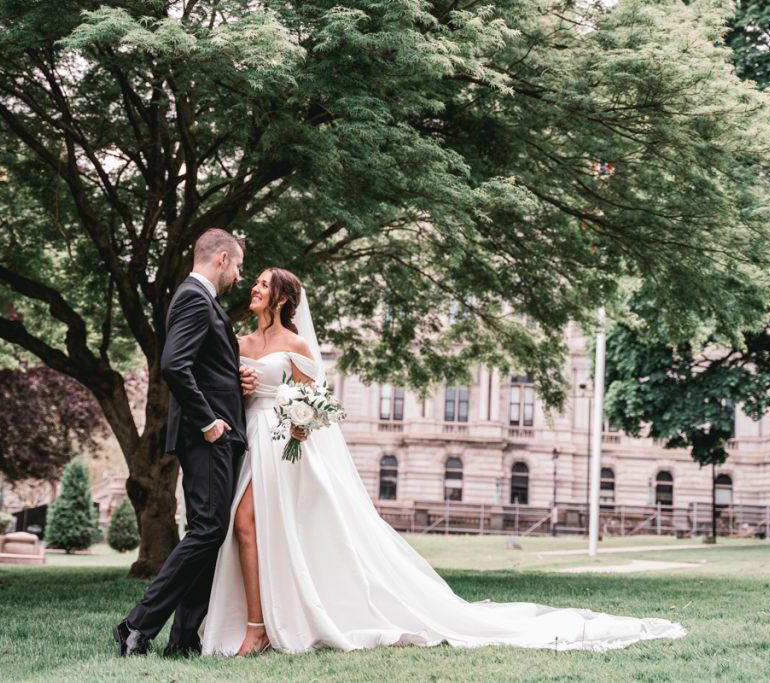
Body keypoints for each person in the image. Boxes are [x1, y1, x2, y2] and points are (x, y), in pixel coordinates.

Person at [199, 267, 686, 656]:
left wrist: (294, 414)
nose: (254, 288)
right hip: (251, 443)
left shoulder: (298, 345)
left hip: (285, 447)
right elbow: (226, 391)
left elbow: (316, 399)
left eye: (262, 283)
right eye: (255, 281)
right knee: (251, 531)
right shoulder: (241, 342)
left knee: (253, 527)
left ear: (282, 298)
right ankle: (264, 620)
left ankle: (263, 626)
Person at [113, 228, 257, 657]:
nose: (238, 276)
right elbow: (175, 364)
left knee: (209, 533)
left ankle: (184, 638)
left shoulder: (202, 300)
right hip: (208, 437)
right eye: (238, 266)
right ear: (222, 259)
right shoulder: (194, 297)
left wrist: (237, 379)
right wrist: (209, 421)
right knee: (208, 529)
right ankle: (137, 625)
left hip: (218, 436)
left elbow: (203, 364)